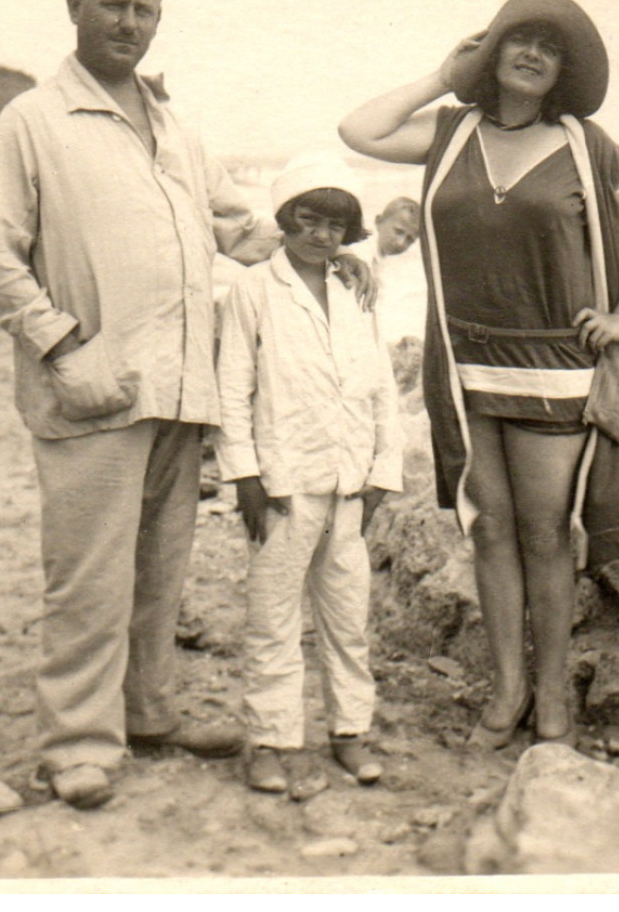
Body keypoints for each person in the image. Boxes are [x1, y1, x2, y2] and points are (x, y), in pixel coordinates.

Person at [0, 0, 294, 809]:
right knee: (86, 573)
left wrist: (324, 241)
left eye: (144, 11)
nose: (129, 24)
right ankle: (77, 739)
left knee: (162, 567)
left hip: (180, 383)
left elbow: (230, 217)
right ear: (73, 3)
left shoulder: (175, 125)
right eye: (112, 6)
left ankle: (148, 712)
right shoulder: (31, 120)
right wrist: (64, 349)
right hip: (95, 384)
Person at [339, 0, 619, 748]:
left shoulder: (587, 146)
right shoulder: (450, 132)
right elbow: (356, 129)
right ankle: (506, 690)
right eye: (516, 39)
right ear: (491, 53)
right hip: (464, 361)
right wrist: (437, 78)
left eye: (548, 47)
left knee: (548, 532)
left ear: (562, 71)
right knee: (489, 529)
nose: (530, 54)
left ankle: (552, 696)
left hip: (554, 365)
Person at [217, 152, 404, 795]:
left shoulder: (357, 287)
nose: (320, 235)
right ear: (285, 219)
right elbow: (232, 385)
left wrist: (384, 470)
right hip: (283, 482)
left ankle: (350, 732)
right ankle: (270, 739)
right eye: (307, 219)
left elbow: (380, 383)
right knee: (272, 618)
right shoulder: (253, 290)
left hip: (350, 482)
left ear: (350, 233)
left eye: (335, 225)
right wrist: (243, 475)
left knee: (348, 619)